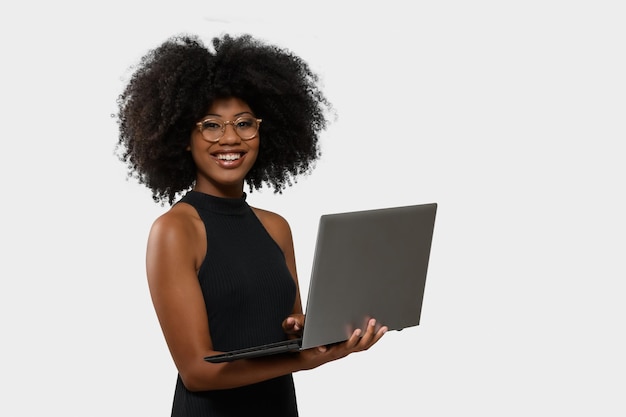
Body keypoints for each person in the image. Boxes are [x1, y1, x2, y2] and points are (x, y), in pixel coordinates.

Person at [115, 33, 387, 417]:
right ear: (184, 137)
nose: (230, 138)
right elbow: (197, 372)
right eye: (211, 125)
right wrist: (307, 361)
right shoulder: (176, 230)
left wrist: (324, 332)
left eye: (244, 123)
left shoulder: (276, 227)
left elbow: (288, 331)